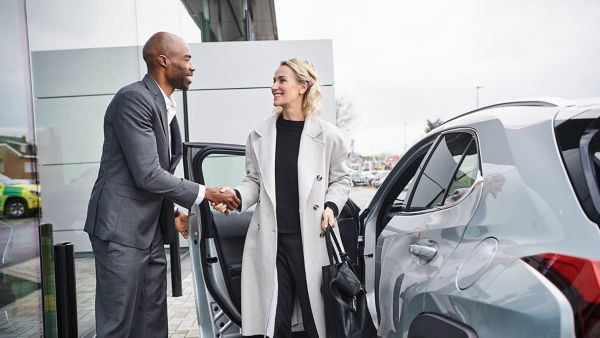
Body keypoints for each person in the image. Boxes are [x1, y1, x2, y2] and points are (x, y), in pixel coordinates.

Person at [83, 32, 239, 337]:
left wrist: (171, 216)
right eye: (187, 58)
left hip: (149, 232)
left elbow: (154, 178)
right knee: (119, 324)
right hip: (120, 232)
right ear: (163, 61)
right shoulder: (133, 99)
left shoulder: (166, 108)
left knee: (152, 322)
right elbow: (148, 174)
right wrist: (205, 193)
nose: (192, 67)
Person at [218, 58, 351, 337]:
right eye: (274, 80)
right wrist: (236, 196)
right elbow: (254, 181)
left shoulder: (328, 135)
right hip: (272, 240)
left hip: (311, 238)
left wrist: (330, 207)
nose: (274, 86)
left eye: (281, 80)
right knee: (275, 321)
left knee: (318, 320)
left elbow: (342, 179)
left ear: (302, 86)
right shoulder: (259, 135)